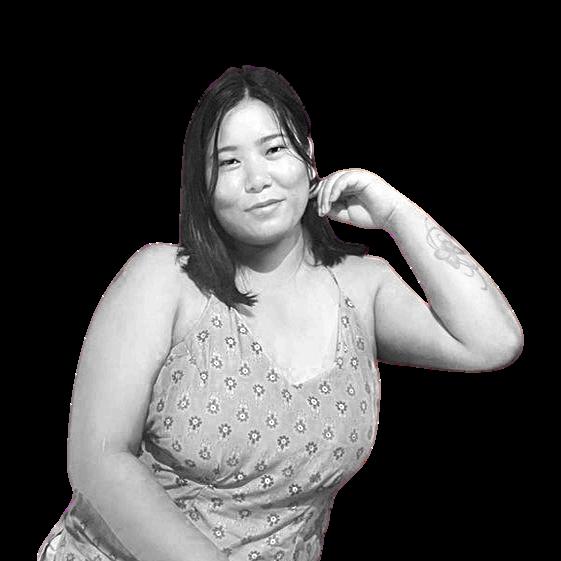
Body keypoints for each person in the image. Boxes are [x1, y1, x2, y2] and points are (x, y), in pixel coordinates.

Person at [38, 65, 523, 561]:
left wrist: (396, 212)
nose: (257, 180)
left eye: (273, 150)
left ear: (308, 157)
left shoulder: (362, 287)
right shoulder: (164, 278)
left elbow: (493, 342)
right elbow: (99, 460)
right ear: (204, 184)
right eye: (229, 162)